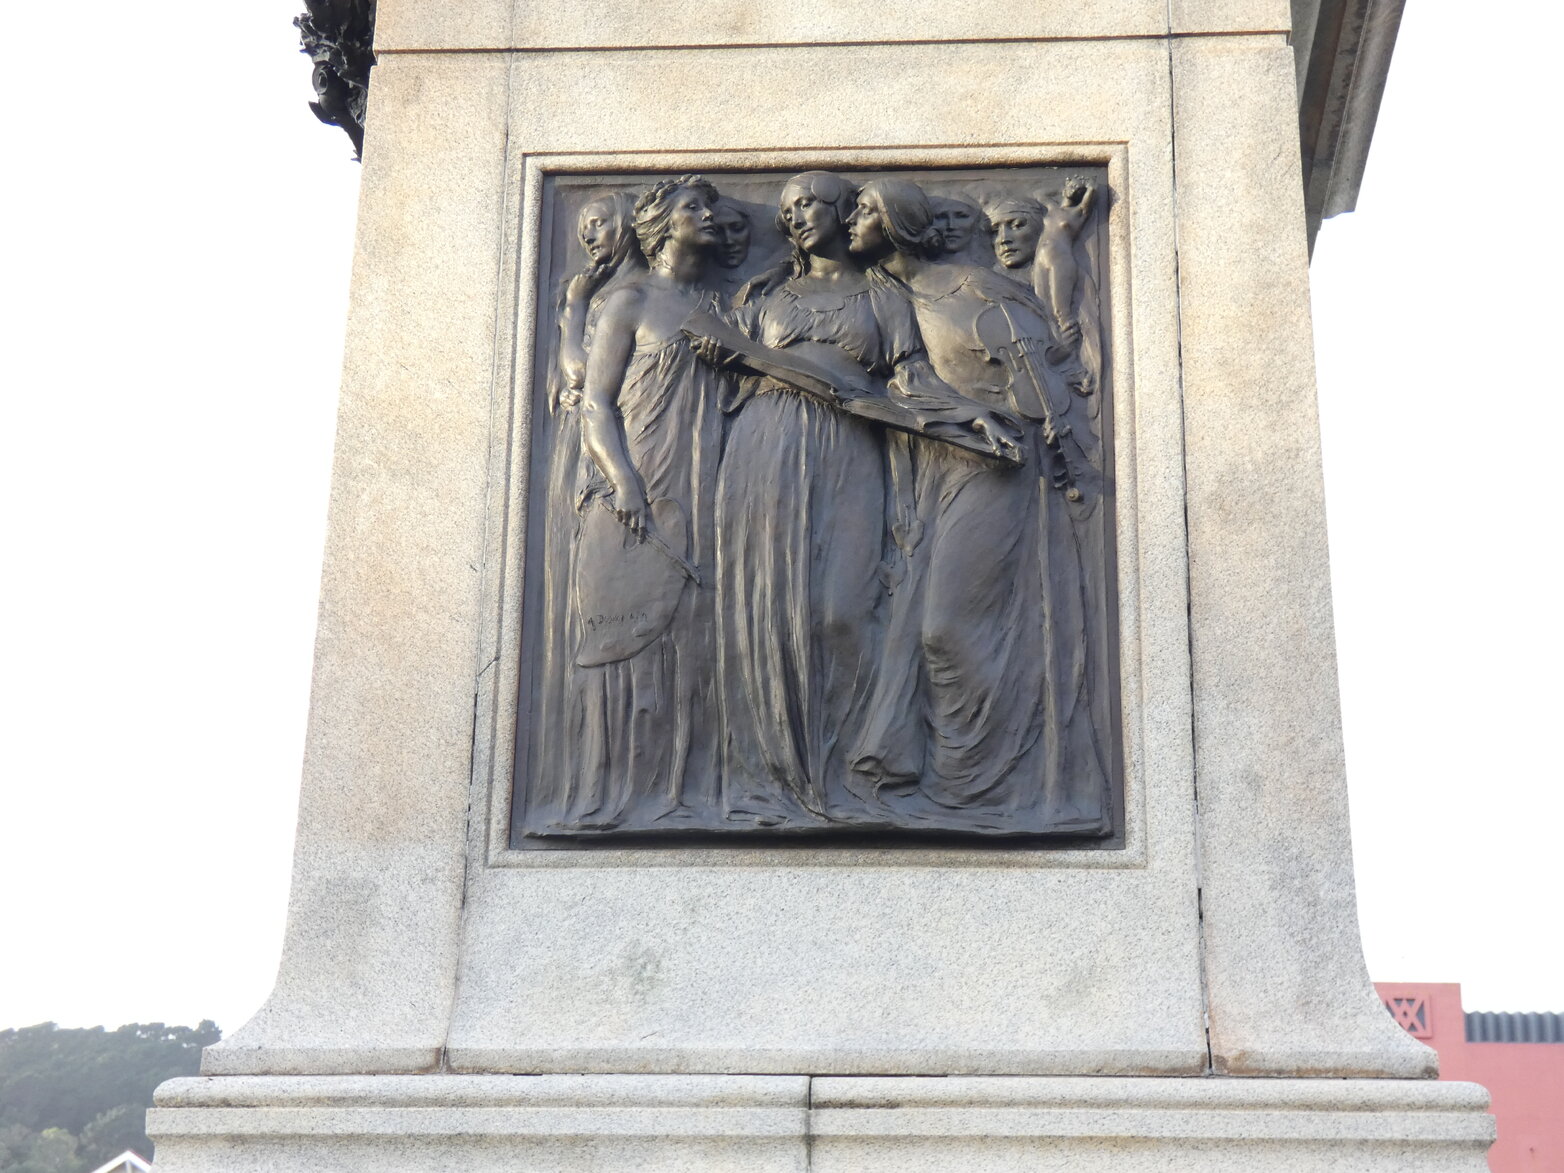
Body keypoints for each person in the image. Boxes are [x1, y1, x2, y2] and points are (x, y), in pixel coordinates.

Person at [846, 177, 1110, 833]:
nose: (851, 217)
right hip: (931, 470)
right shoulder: (886, 298)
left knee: (944, 626)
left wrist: (1043, 425)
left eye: (865, 209)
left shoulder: (973, 286)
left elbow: (1042, 355)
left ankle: (977, 783)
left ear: (898, 222)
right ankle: (953, 779)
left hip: (999, 469)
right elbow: (910, 378)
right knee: (910, 622)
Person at [709, 171, 961, 827]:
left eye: (809, 204)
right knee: (770, 608)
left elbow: (913, 379)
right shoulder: (763, 295)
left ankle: (848, 774)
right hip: (764, 449)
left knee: (845, 611)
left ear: (844, 209)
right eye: (786, 209)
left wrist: (970, 416)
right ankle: (774, 778)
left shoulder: (884, 296)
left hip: (852, 450)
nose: (794, 217)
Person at [528, 176, 728, 833]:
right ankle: (610, 793)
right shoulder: (629, 301)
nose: (709, 215)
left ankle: (678, 788)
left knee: (688, 634)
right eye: (694, 208)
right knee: (624, 636)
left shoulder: (716, 304)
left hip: (695, 480)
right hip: (635, 476)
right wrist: (624, 481)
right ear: (661, 226)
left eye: (710, 206)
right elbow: (596, 401)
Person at [527, 192, 646, 830]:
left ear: (628, 224)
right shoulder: (602, 297)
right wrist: (572, 306)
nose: (591, 235)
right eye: (583, 227)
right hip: (601, 462)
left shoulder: (639, 291)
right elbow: (578, 377)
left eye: (599, 223)